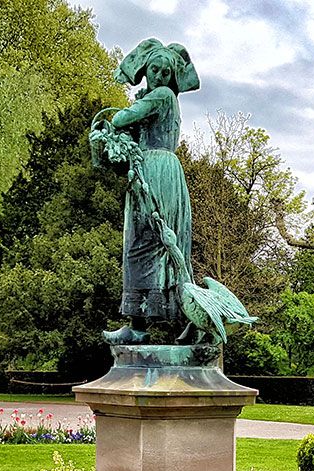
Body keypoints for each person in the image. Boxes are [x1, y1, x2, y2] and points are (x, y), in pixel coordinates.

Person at [97, 39, 199, 345]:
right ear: (146, 69)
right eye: (154, 69)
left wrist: (126, 115)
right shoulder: (165, 98)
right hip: (162, 169)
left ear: (170, 77)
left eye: (165, 72)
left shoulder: (163, 96)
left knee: (144, 243)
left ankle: (139, 324)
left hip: (153, 170)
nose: (159, 75)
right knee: (164, 247)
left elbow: (119, 118)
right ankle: (184, 321)